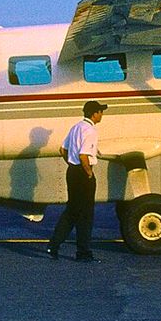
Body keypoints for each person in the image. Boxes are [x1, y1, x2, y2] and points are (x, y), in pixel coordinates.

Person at [47, 100, 107, 262]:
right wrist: (88, 173)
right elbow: (83, 155)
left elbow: (62, 149)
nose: (102, 114)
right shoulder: (90, 130)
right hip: (82, 173)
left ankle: (54, 245)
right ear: (94, 113)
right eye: (100, 111)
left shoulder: (76, 127)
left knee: (72, 211)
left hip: (72, 172)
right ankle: (83, 253)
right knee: (86, 215)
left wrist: (71, 164)